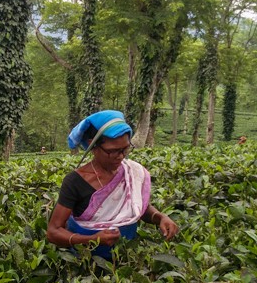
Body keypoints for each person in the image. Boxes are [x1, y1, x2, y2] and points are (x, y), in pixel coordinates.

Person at [47, 110, 179, 259]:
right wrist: (92, 240)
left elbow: (139, 207)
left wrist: (160, 217)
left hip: (126, 257)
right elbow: (54, 231)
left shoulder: (132, 172)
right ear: (93, 146)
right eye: (113, 151)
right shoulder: (75, 181)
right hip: (85, 263)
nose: (121, 156)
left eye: (125, 149)